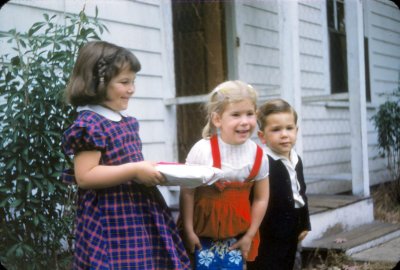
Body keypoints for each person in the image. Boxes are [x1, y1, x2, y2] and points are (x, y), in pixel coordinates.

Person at [62, 41, 191, 269]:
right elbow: (85, 176)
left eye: (133, 82)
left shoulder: (124, 122)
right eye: (124, 82)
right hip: (111, 217)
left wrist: (147, 168)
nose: (131, 89)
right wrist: (134, 169)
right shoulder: (90, 123)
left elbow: (128, 164)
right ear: (97, 83)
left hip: (137, 211)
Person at [179, 80, 270, 269]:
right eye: (236, 115)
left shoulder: (258, 155)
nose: (244, 121)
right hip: (200, 234)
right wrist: (188, 231)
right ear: (217, 119)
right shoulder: (203, 150)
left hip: (236, 237)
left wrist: (249, 235)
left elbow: (261, 198)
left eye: (250, 114)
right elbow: (188, 192)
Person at [247, 98, 311, 270]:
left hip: (292, 228)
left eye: (289, 128)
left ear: (296, 130)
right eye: (276, 130)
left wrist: (305, 223)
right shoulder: (262, 162)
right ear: (262, 136)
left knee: (288, 262)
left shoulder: (296, 159)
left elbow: (301, 193)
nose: (284, 134)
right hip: (268, 232)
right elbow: (254, 199)